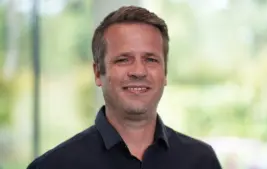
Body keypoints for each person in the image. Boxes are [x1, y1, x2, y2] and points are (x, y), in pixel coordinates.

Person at [27, 5, 222, 169]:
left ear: (165, 73)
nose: (139, 71)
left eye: (151, 59)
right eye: (123, 60)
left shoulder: (201, 161)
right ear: (98, 73)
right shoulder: (53, 166)